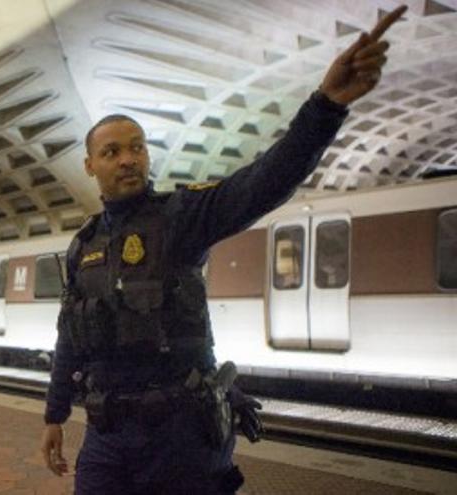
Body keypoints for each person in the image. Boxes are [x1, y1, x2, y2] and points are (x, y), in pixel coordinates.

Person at [40, 6, 406, 494]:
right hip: (106, 438)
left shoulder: (182, 217)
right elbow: (70, 335)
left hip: (179, 438)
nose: (128, 160)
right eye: (112, 152)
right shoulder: (82, 245)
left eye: (137, 147)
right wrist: (55, 414)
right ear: (89, 165)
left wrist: (327, 104)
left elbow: (264, 182)